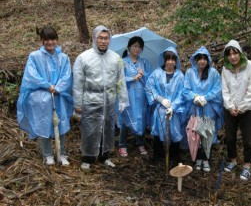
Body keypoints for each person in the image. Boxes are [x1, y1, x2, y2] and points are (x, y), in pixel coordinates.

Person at [73, 25, 129, 170]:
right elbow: (78, 82)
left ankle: (105, 155)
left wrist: (123, 100)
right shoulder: (84, 58)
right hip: (91, 98)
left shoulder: (116, 58)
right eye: (100, 38)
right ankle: (88, 157)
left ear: (110, 40)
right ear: (95, 38)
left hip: (109, 100)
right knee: (90, 129)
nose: (103, 41)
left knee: (108, 128)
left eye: (106, 38)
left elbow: (120, 80)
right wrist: (78, 103)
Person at [17, 26, 73, 166]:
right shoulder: (34, 56)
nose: (50, 42)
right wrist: (47, 86)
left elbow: (67, 75)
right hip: (41, 97)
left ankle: (62, 154)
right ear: (42, 40)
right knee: (43, 124)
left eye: (53, 39)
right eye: (47, 39)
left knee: (61, 124)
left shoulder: (63, 57)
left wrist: (58, 87)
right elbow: (31, 75)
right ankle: (47, 154)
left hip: (59, 96)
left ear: (57, 40)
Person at [222, 40, 251, 181]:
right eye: (229, 54)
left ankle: (247, 166)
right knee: (230, 137)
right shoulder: (225, 69)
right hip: (230, 110)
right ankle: (233, 161)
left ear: (240, 53)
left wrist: (241, 107)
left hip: (248, 109)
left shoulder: (249, 66)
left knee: (247, 139)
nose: (233, 57)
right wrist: (230, 107)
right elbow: (224, 90)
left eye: (235, 53)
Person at [182, 46, 223, 172]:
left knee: (207, 132)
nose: (202, 61)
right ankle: (197, 158)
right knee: (195, 133)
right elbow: (186, 89)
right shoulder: (189, 72)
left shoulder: (213, 73)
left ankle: (206, 159)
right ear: (195, 60)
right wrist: (195, 97)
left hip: (209, 107)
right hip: (194, 108)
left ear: (208, 60)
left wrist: (206, 97)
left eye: (204, 59)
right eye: (199, 59)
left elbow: (218, 89)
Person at [145, 47, 185, 165]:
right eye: (168, 59)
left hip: (174, 111)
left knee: (175, 132)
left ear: (176, 61)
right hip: (160, 110)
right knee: (158, 131)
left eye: (173, 59)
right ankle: (157, 155)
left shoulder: (180, 76)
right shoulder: (157, 73)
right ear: (164, 60)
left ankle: (175, 157)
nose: (170, 62)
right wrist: (160, 99)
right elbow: (149, 88)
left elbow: (182, 94)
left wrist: (173, 106)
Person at [118, 36, 153, 157]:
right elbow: (118, 79)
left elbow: (152, 79)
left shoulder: (144, 62)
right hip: (127, 95)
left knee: (141, 118)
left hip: (141, 96)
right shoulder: (122, 62)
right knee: (126, 117)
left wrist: (144, 75)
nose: (137, 49)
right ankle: (122, 145)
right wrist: (132, 78)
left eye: (140, 47)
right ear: (129, 47)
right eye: (135, 46)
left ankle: (140, 143)